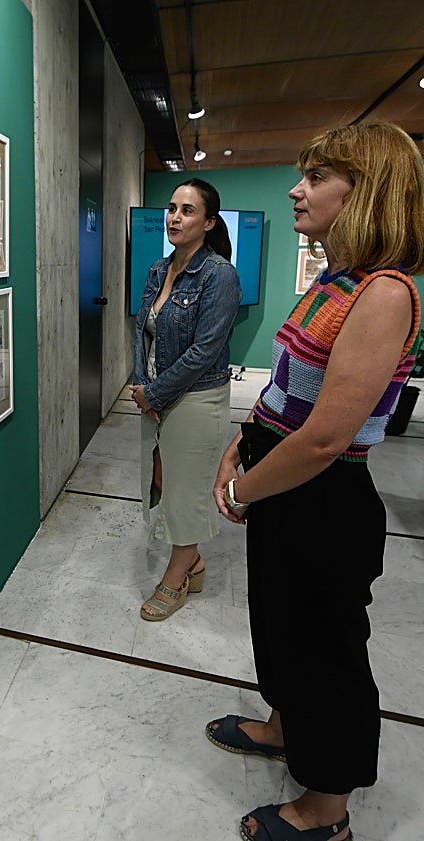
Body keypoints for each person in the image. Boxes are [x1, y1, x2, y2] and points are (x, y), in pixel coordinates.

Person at [207, 120, 424, 841]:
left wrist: (245, 489)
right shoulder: (335, 281)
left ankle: (325, 809)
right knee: (277, 621)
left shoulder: (385, 293)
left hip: (324, 497)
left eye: (316, 176)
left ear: (363, 192)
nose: (295, 189)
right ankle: (281, 724)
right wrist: (239, 444)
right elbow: (284, 393)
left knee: (324, 648)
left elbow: (328, 435)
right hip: (282, 474)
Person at [130, 178, 242, 620]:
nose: (175, 217)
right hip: (156, 394)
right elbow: (143, 331)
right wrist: (142, 387)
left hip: (195, 397)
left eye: (188, 210)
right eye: (172, 208)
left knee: (185, 490)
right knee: (159, 481)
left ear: (209, 222)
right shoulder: (160, 269)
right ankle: (194, 562)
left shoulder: (219, 274)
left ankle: (176, 577)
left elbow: (205, 350)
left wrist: (154, 392)